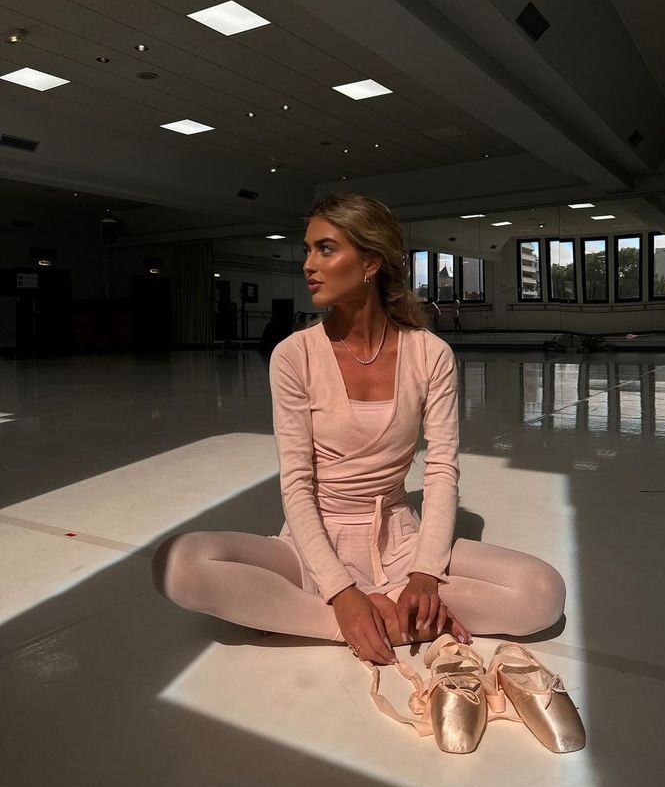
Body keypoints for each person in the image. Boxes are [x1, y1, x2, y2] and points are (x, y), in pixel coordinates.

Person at [152, 194, 565, 666]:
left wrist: (425, 575)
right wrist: (342, 593)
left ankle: (353, 614)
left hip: (400, 538)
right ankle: (369, 622)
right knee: (179, 563)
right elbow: (297, 482)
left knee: (542, 591)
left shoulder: (430, 355)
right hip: (315, 541)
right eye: (307, 249)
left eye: (325, 249)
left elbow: (441, 473)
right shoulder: (294, 355)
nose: (309, 264)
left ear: (370, 261)